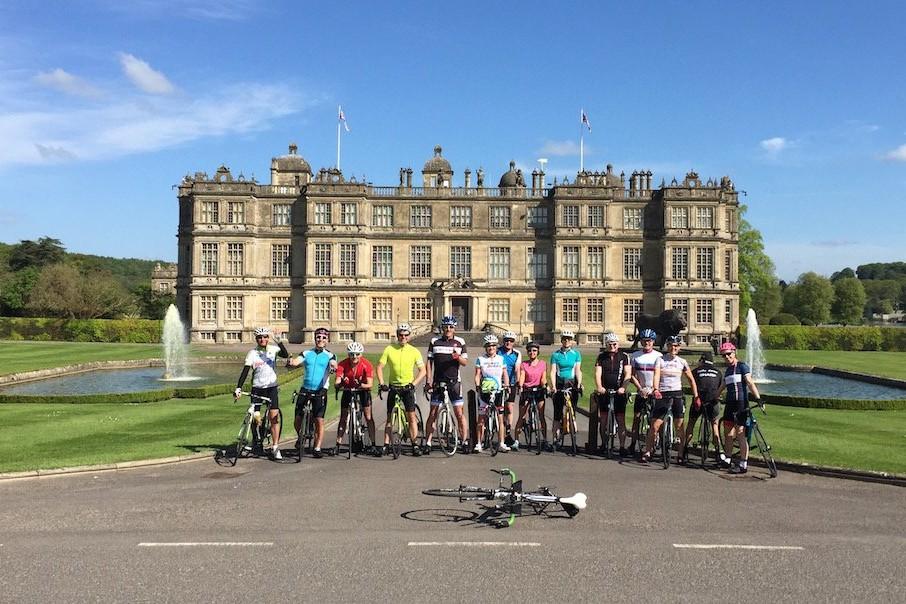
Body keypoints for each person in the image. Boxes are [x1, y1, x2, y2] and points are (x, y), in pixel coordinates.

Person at [640, 335, 699, 464]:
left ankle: (680, 454)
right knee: (655, 426)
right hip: (663, 394)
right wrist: (655, 389)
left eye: (676, 346)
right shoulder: (660, 360)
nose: (674, 348)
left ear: (679, 347)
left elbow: (691, 379)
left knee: (679, 427)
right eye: (671, 345)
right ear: (667, 346)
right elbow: (656, 375)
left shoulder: (682, 362)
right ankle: (648, 451)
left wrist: (696, 396)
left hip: (677, 394)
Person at [234, 327, 289, 460]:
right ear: (256, 339)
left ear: (268, 338)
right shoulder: (252, 353)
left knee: (274, 418)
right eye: (259, 337)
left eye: (265, 337)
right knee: (255, 417)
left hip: (271, 388)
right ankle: (256, 442)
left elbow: (286, 355)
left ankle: (275, 447)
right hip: (257, 388)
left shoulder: (273, 350)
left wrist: (279, 342)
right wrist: (238, 387)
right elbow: (245, 371)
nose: (262, 339)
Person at [376, 323, 427, 457]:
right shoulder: (389, 349)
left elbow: (423, 371)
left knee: (411, 416)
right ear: (397, 335)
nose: (403, 337)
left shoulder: (414, 351)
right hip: (394, 387)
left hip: (407, 388)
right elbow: (379, 367)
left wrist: (414, 384)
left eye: (406, 335)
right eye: (400, 335)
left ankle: (414, 444)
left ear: (409, 336)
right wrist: (382, 383)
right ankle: (386, 445)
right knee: (389, 418)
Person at [286, 327, 337, 458]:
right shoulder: (306, 353)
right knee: (297, 419)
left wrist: (333, 367)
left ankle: (317, 447)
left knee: (319, 420)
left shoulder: (330, 355)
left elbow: (333, 363)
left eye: (323, 338)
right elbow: (297, 361)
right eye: (318, 337)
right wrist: (292, 362)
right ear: (315, 338)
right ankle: (300, 436)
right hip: (306, 388)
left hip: (320, 390)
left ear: (327, 340)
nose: (320, 340)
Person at [423, 315, 468, 453]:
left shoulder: (460, 342)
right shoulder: (434, 341)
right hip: (438, 382)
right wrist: (428, 381)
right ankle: (428, 442)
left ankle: (464, 441)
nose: (448, 329)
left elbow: (465, 362)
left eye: (451, 327)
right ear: (442, 328)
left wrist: (457, 357)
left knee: (459, 413)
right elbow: (429, 363)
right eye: (445, 327)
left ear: (454, 328)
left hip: (454, 382)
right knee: (433, 413)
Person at [717, 342, 761, 474]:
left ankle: (743, 463)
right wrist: (714, 398)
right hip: (730, 404)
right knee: (728, 433)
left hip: (741, 403)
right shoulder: (728, 371)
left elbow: (749, 382)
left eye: (729, 354)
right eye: (724, 355)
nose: (727, 357)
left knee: (740, 433)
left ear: (734, 352)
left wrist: (758, 398)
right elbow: (722, 387)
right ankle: (728, 459)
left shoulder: (742, 366)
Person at [677, 351, 722, 463]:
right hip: (712, 401)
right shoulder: (718, 372)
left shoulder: (696, 371)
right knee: (714, 425)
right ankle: (718, 452)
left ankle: (684, 451)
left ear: (701, 360)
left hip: (699, 401)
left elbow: (692, 383)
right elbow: (720, 387)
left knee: (691, 423)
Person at [593, 331, 632, 456]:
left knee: (620, 420)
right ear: (606, 344)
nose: (612, 346)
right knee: (603, 419)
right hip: (605, 391)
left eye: (614, 344)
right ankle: (604, 444)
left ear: (618, 344)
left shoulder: (624, 356)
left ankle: (621, 446)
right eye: (610, 344)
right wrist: (599, 387)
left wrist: (623, 388)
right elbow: (598, 373)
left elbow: (628, 374)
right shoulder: (601, 357)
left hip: (619, 392)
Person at [334, 341, 376, 456]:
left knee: (368, 417)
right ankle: (338, 444)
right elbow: (337, 381)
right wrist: (340, 383)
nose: (354, 357)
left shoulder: (366, 364)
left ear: (361, 354)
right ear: (348, 354)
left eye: (357, 354)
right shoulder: (342, 364)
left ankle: (373, 444)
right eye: (352, 354)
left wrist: (361, 385)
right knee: (343, 417)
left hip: (363, 389)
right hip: (348, 390)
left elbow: (370, 384)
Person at [474, 333, 510, 452]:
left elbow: (505, 373)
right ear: (485, 347)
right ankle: (479, 443)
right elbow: (477, 375)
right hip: (485, 391)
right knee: (481, 419)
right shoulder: (481, 359)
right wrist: (478, 386)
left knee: (500, 419)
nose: (491, 348)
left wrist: (507, 384)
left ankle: (501, 443)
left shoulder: (501, 359)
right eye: (489, 346)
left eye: (493, 346)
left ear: (496, 347)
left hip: (498, 391)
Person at [628, 328, 661, 454]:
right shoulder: (635, 356)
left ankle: (659, 442)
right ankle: (632, 444)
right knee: (636, 418)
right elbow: (631, 375)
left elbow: (660, 376)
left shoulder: (659, 356)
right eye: (644, 340)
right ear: (641, 341)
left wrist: (654, 389)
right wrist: (640, 388)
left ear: (653, 341)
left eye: (649, 340)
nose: (647, 343)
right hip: (641, 390)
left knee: (656, 420)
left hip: (654, 391)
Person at [549, 330, 583, 449]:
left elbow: (578, 370)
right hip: (559, 384)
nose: (566, 341)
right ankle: (554, 439)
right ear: (561, 340)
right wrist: (553, 386)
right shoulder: (555, 355)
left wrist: (579, 384)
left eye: (569, 339)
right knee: (557, 413)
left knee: (572, 410)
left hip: (572, 383)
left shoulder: (576, 354)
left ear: (572, 340)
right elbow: (553, 372)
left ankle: (572, 431)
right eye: (564, 339)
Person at [513, 341, 548, 450]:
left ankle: (545, 440)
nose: (532, 352)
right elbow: (522, 376)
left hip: (538, 390)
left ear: (538, 352)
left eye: (534, 351)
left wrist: (545, 385)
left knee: (541, 416)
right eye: (529, 351)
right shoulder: (524, 364)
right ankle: (516, 440)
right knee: (521, 416)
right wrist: (521, 385)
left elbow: (543, 378)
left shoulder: (542, 363)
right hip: (527, 390)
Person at [498, 331, 522, 450]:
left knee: (509, 408)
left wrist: (518, 382)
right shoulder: (497, 350)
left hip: (510, 383)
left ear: (514, 342)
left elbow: (517, 369)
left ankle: (507, 431)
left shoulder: (517, 354)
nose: (508, 342)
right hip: (497, 383)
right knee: (497, 409)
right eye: (506, 340)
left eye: (511, 341)